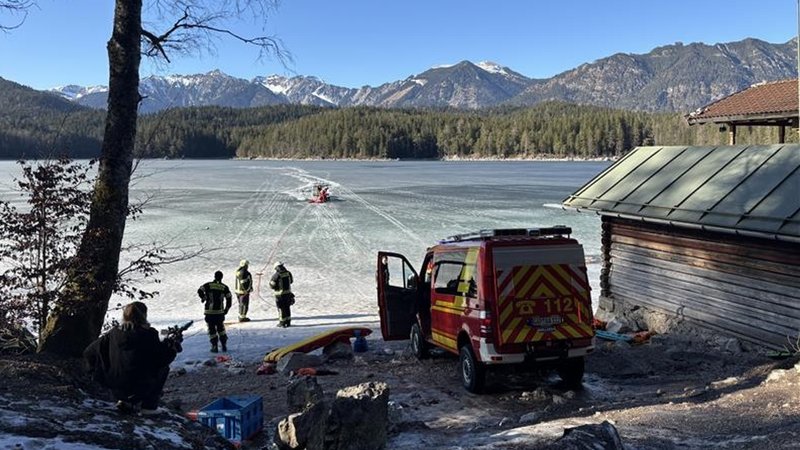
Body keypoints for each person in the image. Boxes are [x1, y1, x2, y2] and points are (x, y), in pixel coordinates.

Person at [83, 301, 181, 415]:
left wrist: (98, 373)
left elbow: (89, 352)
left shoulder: (113, 334)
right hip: (141, 386)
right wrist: (172, 348)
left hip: (114, 384)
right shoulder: (149, 334)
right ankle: (149, 407)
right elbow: (162, 359)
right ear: (144, 315)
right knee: (164, 369)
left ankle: (125, 402)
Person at [197, 270, 232, 352]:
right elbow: (229, 298)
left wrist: (203, 297)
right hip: (219, 312)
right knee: (221, 329)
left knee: (211, 329)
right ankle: (224, 345)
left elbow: (200, 290)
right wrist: (226, 309)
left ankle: (214, 346)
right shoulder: (224, 287)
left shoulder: (208, 285)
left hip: (209, 312)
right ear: (222, 277)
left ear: (214, 276)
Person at [269, 261, 294, 327]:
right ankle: (288, 321)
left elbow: (272, 285)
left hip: (279, 295)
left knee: (281, 308)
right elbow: (291, 281)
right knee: (287, 307)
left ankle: (282, 322)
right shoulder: (288, 273)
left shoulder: (276, 275)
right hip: (288, 293)